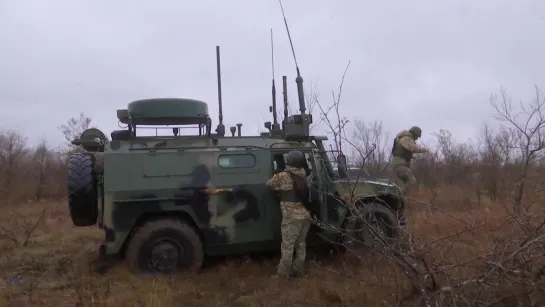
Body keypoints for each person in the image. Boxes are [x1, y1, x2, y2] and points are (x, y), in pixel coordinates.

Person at [266, 150, 311, 279]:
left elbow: (268, 185)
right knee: (301, 244)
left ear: (289, 161)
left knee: (287, 245)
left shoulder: (283, 176)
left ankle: (283, 274)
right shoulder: (304, 174)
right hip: (305, 215)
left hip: (292, 217)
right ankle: (298, 270)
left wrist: (277, 175)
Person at [391, 126, 428, 195]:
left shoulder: (403, 138)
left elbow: (402, 152)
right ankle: (397, 195)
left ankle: (400, 197)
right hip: (400, 164)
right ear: (414, 134)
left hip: (399, 163)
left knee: (406, 182)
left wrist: (412, 157)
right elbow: (412, 148)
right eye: (417, 137)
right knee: (412, 181)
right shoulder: (407, 138)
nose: (416, 139)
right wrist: (424, 149)